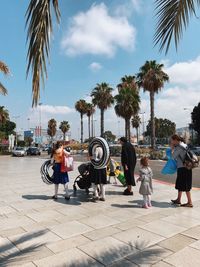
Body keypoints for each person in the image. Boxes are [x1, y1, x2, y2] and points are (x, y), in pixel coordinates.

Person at [171, 134, 193, 207]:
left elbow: (173, 157)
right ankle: (178, 199)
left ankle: (189, 202)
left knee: (185, 185)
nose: (172, 142)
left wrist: (172, 148)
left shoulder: (179, 147)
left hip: (183, 168)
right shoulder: (184, 145)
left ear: (176, 140)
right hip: (187, 167)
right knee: (180, 184)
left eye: (172, 140)